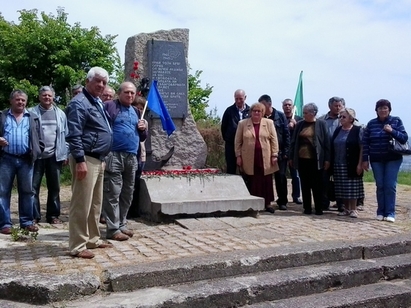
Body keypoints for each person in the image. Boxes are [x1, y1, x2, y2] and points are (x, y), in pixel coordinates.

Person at [65, 67, 113, 259]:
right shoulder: (79, 103)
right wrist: (79, 160)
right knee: (81, 203)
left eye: (104, 82)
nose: (101, 85)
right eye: (97, 81)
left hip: (98, 158)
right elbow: (74, 133)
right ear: (88, 81)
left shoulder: (97, 102)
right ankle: (77, 245)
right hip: (85, 157)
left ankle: (93, 239)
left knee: (95, 203)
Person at [102, 82, 147, 241]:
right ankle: (112, 229)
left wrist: (143, 128)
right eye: (127, 92)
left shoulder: (136, 111)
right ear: (119, 93)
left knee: (127, 193)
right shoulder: (109, 106)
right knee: (113, 193)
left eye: (132, 93)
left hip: (131, 157)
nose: (130, 95)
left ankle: (121, 224)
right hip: (114, 155)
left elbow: (142, 136)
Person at [0, 90, 44, 235]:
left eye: (23, 100)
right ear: (11, 101)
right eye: (18, 100)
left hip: (26, 159)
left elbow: (40, 139)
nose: (21, 102)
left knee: (27, 192)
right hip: (6, 158)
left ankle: (26, 222)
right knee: (3, 192)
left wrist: (36, 151)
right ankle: (5, 223)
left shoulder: (33, 117)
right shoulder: (2, 116)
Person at [362, 99, 408, 223]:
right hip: (376, 159)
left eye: (385, 108)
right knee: (380, 185)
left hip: (393, 158)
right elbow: (366, 142)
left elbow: (404, 138)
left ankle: (390, 213)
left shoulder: (396, 121)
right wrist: (364, 159)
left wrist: (392, 131)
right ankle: (380, 212)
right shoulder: (371, 124)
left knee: (390, 185)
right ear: (376, 110)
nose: (383, 110)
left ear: (389, 110)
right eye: (380, 108)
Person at [29, 86, 69, 224]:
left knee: (55, 187)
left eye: (49, 95)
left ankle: (53, 215)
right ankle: (34, 215)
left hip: (55, 155)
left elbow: (66, 136)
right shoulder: (31, 113)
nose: (47, 98)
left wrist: (65, 153)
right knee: (33, 187)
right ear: (39, 97)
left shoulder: (61, 114)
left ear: (53, 97)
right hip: (36, 156)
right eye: (44, 95)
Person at [235, 102, 279, 213]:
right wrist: (238, 156)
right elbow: (238, 142)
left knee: (266, 180)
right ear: (251, 112)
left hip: (265, 157)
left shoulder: (269, 123)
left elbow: (274, 140)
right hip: (249, 157)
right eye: (254, 111)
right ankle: (254, 204)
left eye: (259, 111)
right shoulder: (243, 124)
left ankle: (268, 204)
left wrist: (274, 154)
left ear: (263, 113)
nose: (256, 113)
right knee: (253, 180)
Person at [289, 103, 330, 215]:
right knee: (305, 184)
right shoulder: (300, 125)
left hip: (316, 160)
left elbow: (326, 143)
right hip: (302, 159)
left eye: (306, 113)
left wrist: (327, 159)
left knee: (317, 185)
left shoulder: (321, 124)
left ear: (313, 113)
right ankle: (307, 208)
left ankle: (318, 208)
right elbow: (293, 142)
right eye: (304, 113)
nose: (304, 115)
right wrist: (291, 157)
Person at [331, 108, 364, 218]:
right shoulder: (338, 130)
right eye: (340, 117)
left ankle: (353, 209)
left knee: (352, 187)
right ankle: (346, 208)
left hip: (352, 163)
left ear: (351, 118)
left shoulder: (357, 130)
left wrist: (360, 164)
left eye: (344, 117)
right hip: (338, 163)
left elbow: (362, 147)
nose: (341, 119)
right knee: (342, 187)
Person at [258, 95, 290, 210]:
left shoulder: (280, 116)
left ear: (269, 104)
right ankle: (266, 200)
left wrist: (286, 152)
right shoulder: (259, 117)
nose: (260, 108)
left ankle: (282, 201)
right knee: (266, 178)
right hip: (265, 153)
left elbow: (286, 135)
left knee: (280, 176)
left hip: (280, 153)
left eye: (262, 105)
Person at [318, 96, 345, 212]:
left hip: (341, 155)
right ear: (329, 106)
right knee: (323, 180)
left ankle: (341, 204)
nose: (338, 108)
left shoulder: (345, 119)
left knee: (340, 180)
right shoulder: (321, 120)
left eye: (340, 106)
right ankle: (324, 203)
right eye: (335, 106)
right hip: (325, 155)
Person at [128, 96, 149, 219]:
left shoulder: (143, 122)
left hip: (140, 157)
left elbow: (143, 137)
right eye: (136, 108)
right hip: (128, 154)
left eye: (141, 109)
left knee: (135, 184)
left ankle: (134, 209)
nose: (139, 110)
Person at [221, 89, 250, 174]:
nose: (238, 101)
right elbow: (224, 127)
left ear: (245, 98)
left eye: (240, 98)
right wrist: (228, 138)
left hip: (246, 144)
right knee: (231, 168)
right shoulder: (229, 111)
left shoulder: (250, 111)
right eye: (236, 98)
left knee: (245, 169)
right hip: (231, 144)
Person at [282, 98, 302, 204]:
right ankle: (282, 197)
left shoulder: (298, 119)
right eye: (285, 105)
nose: (287, 107)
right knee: (282, 175)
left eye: (289, 105)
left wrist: (296, 125)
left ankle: (296, 196)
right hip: (283, 150)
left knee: (296, 175)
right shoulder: (280, 118)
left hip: (295, 151)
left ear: (293, 106)